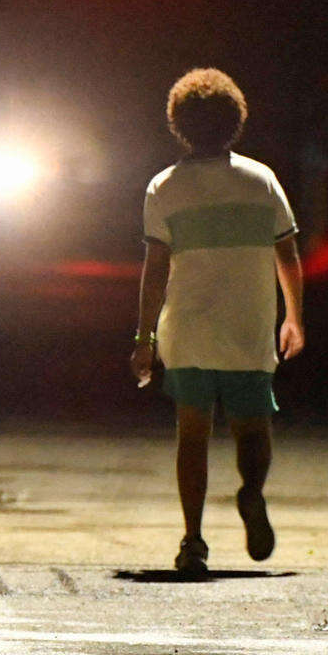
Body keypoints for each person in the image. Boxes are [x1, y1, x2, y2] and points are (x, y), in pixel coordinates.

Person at [128, 68, 304, 577]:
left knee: (192, 436)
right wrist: (294, 316)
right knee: (254, 431)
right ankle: (251, 492)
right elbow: (287, 255)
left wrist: (144, 337)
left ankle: (193, 540)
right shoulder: (261, 180)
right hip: (250, 326)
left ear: (178, 124)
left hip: (188, 330)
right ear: (235, 122)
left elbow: (155, 269)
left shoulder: (164, 187)